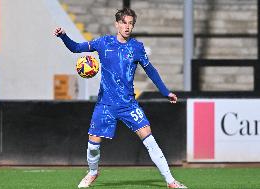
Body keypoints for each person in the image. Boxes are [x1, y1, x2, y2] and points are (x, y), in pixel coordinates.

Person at [54, 7, 187, 189]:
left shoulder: (137, 48)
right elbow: (76, 48)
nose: (127, 26)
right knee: (93, 145)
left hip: (128, 104)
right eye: (124, 22)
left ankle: (170, 181)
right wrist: (63, 36)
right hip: (105, 104)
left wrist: (165, 92)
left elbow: (151, 71)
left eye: (130, 23)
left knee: (149, 139)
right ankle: (93, 172)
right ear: (117, 24)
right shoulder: (103, 43)